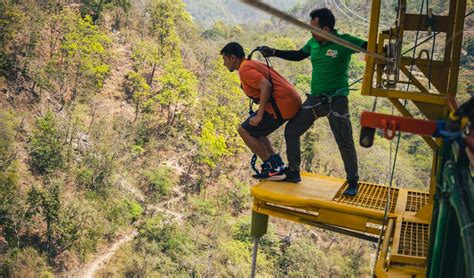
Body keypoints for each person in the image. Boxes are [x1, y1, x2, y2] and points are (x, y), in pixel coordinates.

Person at [261, 8, 367, 196]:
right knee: (292, 131)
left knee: (344, 140)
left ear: (325, 29)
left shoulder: (343, 41)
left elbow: (367, 46)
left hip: (337, 100)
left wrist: (384, 50)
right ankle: (293, 172)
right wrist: (274, 52)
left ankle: (353, 181)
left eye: (313, 28)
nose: (310, 32)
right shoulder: (313, 43)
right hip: (316, 99)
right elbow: (299, 55)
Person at [220, 42, 302, 180]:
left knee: (243, 130)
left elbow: (266, 86)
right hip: (289, 101)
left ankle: (272, 168)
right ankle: (277, 165)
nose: (224, 63)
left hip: (284, 104)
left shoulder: (245, 69)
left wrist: (259, 114)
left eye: (225, 59)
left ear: (232, 58)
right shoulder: (251, 64)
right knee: (257, 130)